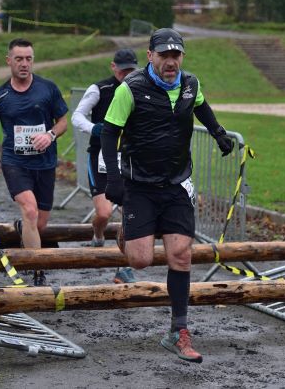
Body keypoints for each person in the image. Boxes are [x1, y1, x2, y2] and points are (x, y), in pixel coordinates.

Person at [100, 28, 234, 363]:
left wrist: (218, 133)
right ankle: (127, 233)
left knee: (180, 256)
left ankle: (179, 331)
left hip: (176, 182)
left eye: (176, 55)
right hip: (140, 185)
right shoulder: (131, 89)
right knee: (140, 260)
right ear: (150, 56)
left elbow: (200, 107)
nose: (171, 61)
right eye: (164, 55)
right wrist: (113, 179)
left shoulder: (191, 84)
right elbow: (109, 132)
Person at [0, 38, 68, 287]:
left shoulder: (48, 89)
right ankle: (37, 269)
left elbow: (63, 122)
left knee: (39, 221)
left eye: (28, 58)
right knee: (30, 209)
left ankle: (23, 231)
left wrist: (50, 135)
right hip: (14, 161)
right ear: (9, 61)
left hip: (45, 163)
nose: (24, 64)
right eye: (19, 59)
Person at [71, 49, 139, 284]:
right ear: (113, 67)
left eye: (131, 69)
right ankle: (98, 233)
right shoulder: (99, 89)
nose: (126, 73)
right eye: (123, 70)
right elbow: (77, 116)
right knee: (104, 213)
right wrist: (93, 128)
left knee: (128, 215)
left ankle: (124, 267)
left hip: (128, 159)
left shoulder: (141, 89)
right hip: (99, 159)